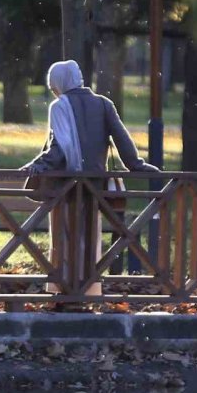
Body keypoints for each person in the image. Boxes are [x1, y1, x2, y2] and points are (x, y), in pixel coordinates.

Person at [21, 59, 158, 309]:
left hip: (67, 186)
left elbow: (59, 148)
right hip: (95, 184)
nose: (54, 90)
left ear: (59, 82)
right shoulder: (104, 103)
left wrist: (38, 166)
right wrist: (137, 165)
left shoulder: (59, 106)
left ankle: (65, 293)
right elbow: (121, 139)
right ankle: (85, 290)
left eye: (54, 85)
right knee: (88, 236)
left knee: (66, 237)